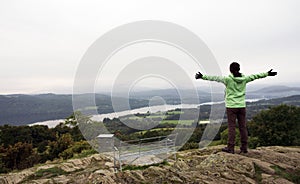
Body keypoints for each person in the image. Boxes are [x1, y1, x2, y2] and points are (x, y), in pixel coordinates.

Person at [195, 62, 277, 154]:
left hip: (231, 107)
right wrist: (267, 74)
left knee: (232, 127)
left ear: (230, 70)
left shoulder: (228, 79)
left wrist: (202, 76)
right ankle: (244, 147)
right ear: (239, 69)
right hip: (241, 106)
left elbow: (215, 78)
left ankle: (231, 147)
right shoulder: (244, 79)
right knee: (243, 127)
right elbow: (256, 76)